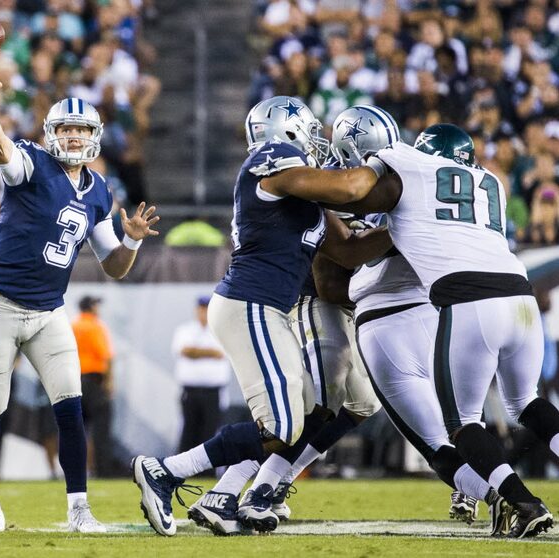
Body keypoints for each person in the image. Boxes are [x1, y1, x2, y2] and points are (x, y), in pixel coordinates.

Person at [132, 96, 393, 537]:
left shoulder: (303, 199)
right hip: (250, 303)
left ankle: (204, 488)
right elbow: (349, 189)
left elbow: (348, 249)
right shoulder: (274, 158)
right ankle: (165, 471)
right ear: (285, 131)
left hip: (267, 309)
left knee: (298, 420)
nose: (315, 141)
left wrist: (402, 231)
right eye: (308, 131)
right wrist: (382, 168)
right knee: (284, 425)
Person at [0, 72, 159, 533]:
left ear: (94, 138)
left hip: (48, 312)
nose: (72, 135)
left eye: (81, 130)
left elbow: (115, 266)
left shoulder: (100, 190)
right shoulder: (31, 162)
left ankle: (79, 509)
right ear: (50, 134)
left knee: (70, 406)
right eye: (65, 128)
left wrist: (133, 241)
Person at [335, 123, 559, 538]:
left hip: (471, 300)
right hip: (521, 294)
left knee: (463, 424)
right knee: (527, 403)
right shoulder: (489, 181)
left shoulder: (412, 169)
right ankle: (513, 499)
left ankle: (524, 504)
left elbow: (361, 195)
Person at [171, 295, 231, 453]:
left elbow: (220, 354)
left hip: (213, 392)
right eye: (201, 309)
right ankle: (183, 471)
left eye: (207, 309)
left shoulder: (221, 330)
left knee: (210, 432)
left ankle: (208, 473)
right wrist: (209, 352)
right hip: (190, 391)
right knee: (188, 431)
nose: (204, 312)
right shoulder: (185, 330)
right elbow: (184, 351)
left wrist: (196, 351)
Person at [71, 295, 114, 477]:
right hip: (94, 382)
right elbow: (106, 355)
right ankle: (101, 470)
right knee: (100, 430)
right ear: (91, 307)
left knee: (77, 430)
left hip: (74, 380)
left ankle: (75, 470)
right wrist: (110, 382)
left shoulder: (73, 325)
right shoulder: (95, 326)